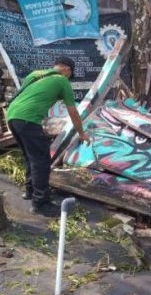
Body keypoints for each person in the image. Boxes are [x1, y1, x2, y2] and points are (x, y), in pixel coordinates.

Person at [6, 57, 90, 215]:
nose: (68, 79)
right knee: (41, 161)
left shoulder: (35, 74)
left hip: (12, 116)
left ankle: (30, 191)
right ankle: (41, 204)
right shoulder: (61, 80)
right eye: (69, 76)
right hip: (28, 119)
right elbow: (73, 111)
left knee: (30, 156)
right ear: (67, 70)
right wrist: (82, 133)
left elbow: (26, 96)